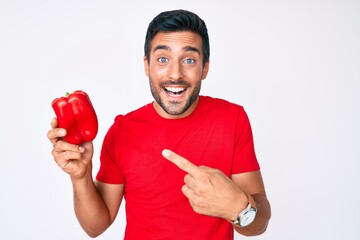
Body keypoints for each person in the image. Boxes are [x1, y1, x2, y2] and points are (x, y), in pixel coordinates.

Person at [47, 9, 271, 239]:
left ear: (204, 68)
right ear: (147, 66)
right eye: (163, 59)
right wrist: (81, 177)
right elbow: (95, 227)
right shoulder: (121, 131)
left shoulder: (232, 119)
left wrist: (238, 208)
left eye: (189, 60)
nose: (175, 74)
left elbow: (259, 224)